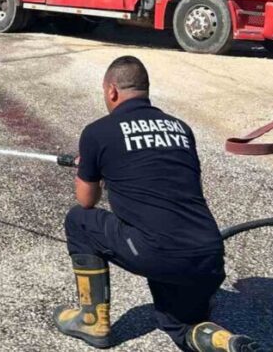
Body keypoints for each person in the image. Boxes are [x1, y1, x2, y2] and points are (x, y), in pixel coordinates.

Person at [55, 56, 260, 352]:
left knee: (79, 221)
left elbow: (86, 200)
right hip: (207, 256)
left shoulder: (98, 132)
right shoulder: (181, 128)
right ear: (145, 89)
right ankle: (226, 341)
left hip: (157, 253)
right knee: (181, 326)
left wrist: (91, 168)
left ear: (112, 91)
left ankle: (92, 321)